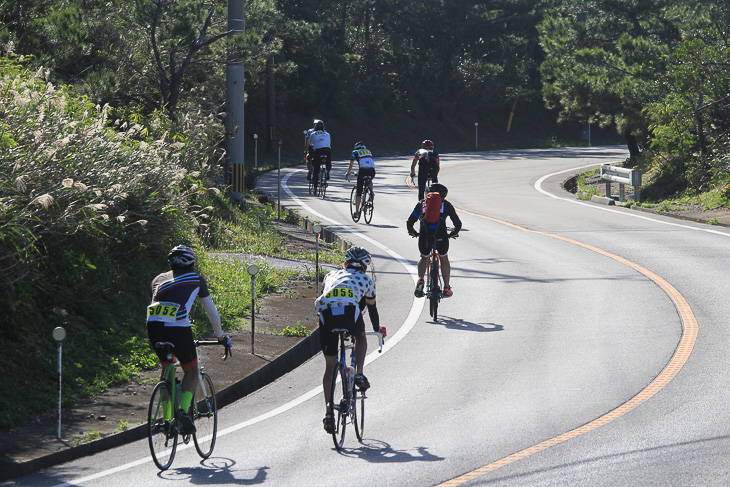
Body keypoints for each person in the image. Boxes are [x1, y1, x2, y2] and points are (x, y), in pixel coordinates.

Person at [146, 245, 231, 434]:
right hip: (178, 327)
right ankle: (183, 412)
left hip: (153, 326)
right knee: (191, 370)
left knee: (167, 367)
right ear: (192, 264)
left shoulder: (158, 280)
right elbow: (212, 313)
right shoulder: (196, 279)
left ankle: (167, 420)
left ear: (169, 263)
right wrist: (220, 336)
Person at [315, 246, 386, 434]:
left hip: (325, 314)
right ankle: (359, 374)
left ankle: (329, 413)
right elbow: (371, 308)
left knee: (330, 366)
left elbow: (326, 295)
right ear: (364, 267)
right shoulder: (366, 280)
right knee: (360, 337)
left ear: (345, 264)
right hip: (349, 312)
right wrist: (378, 329)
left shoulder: (330, 275)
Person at [406, 183, 462, 298]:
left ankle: (421, 280)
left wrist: (413, 232)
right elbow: (458, 223)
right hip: (441, 235)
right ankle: (446, 287)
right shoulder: (446, 205)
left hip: (425, 236)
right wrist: (453, 233)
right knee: (444, 258)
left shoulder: (421, 204)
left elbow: (410, 221)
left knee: (424, 257)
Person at [345, 141, 376, 219]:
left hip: (362, 171)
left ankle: (357, 212)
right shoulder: (368, 151)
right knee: (369, 180)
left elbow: (351, 164)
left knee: (359, 192)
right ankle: (371, 192)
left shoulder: (355, 152)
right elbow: (367, 163)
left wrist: (348, 173)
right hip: (372, 170)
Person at [309, 119, 332, 192]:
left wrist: (310, 155)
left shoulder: (313, 134)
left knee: (316, 169)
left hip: (318, 151)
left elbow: (310, 145)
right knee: (329, 162)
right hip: (327, 151)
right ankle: (327, 171)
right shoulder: (327, 134)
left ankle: (315, 187)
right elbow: (329, 143)